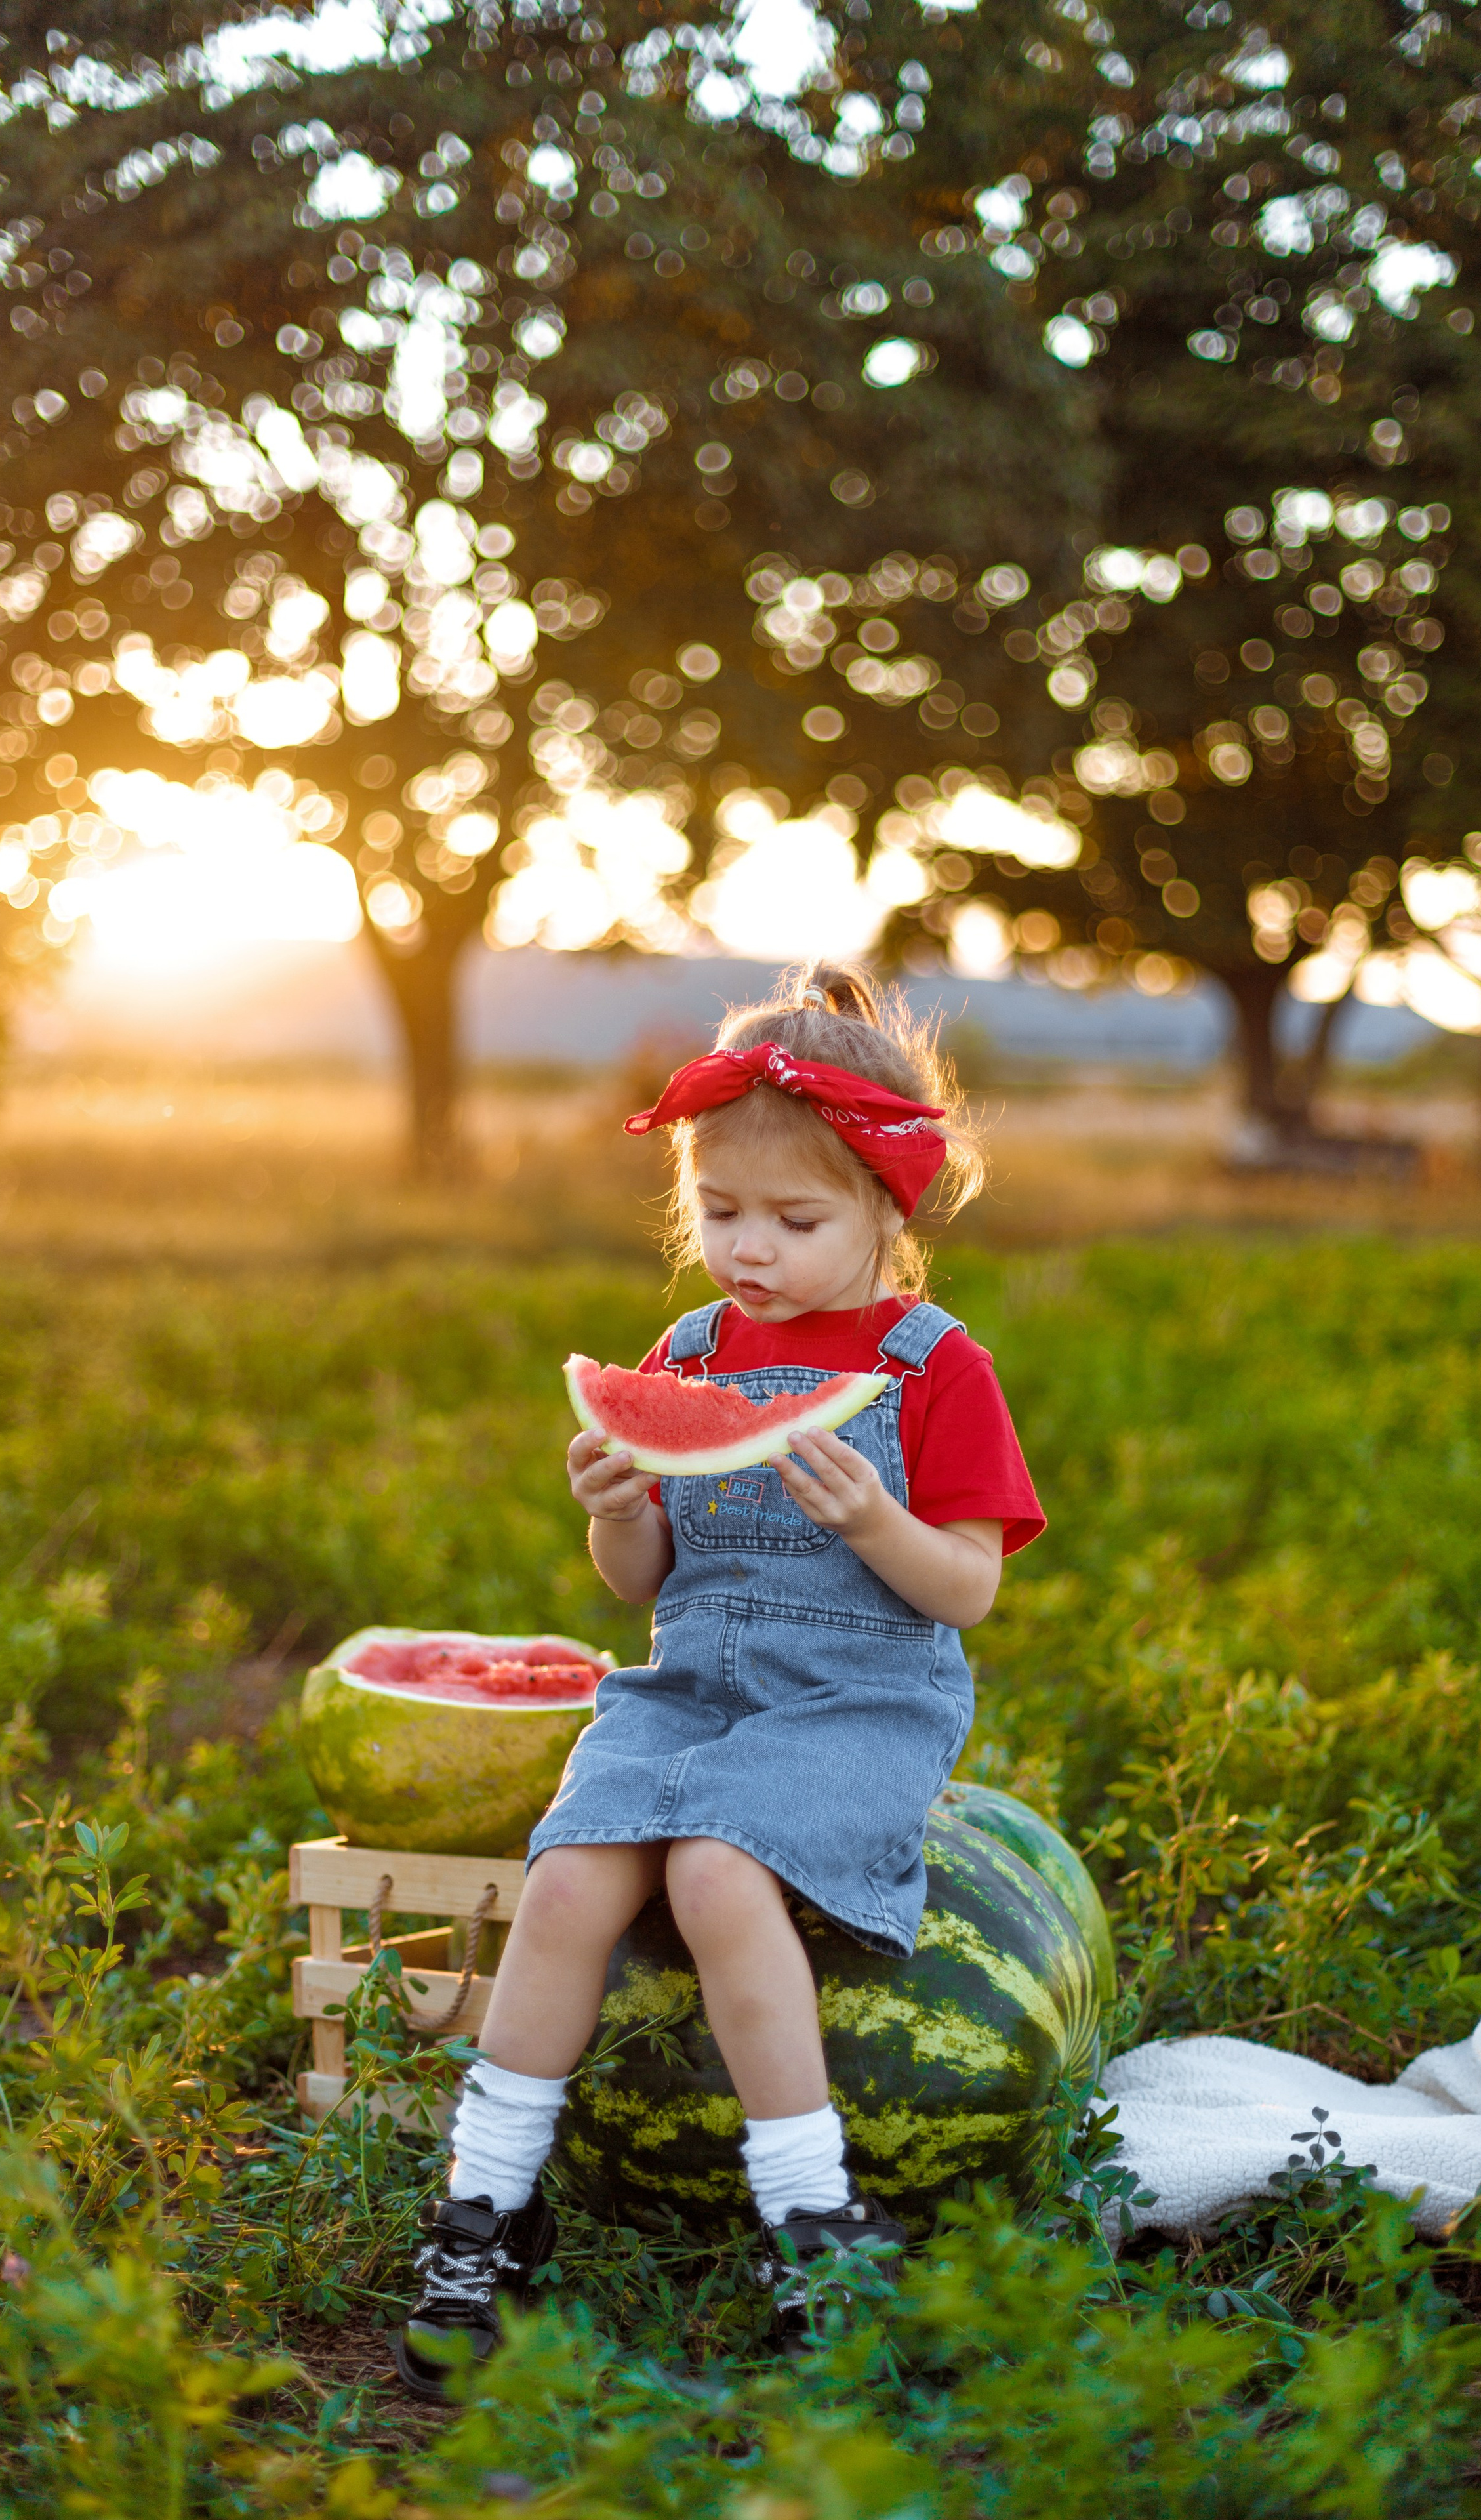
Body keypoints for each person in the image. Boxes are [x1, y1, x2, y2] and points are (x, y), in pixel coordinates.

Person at [396, 963, 1044, 2397]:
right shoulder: (689, 1351)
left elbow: (968, 1587)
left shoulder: (934, 1367)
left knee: (712, 1872)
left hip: (854, 1705)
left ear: (888, 1211)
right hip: (687, 1694)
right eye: (721, 1209)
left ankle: (811, 2218)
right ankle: (483, 2209)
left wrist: (873, 1522)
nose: (748, 1249)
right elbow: (637, 1582)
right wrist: (617, 1506)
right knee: (565, 1880)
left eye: (795, 1222)